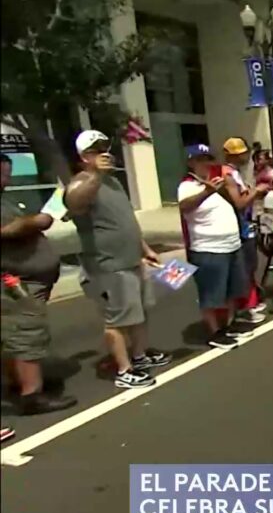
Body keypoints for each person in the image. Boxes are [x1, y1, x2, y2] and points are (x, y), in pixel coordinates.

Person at [64, 130, 162, 389]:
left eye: (105, 148)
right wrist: (95, 174)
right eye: (96, 150)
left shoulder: (114, 182)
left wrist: (144, 248)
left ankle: (139, 356)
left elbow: (125, 219)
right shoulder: (81, 183)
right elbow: (74, 203)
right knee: (117, 320)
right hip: (109, 265)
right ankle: (124, 369)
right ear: (84, 157)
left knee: (139, 313)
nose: (104, 154)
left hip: (132, 260)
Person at [1, 153, 78, 414]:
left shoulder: (4, 198)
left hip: (27, 278)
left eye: (7, 174)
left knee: (17, 335)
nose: (6, 179)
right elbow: (9, 229)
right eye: (2, 174)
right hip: (15, 281)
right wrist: (38, 221)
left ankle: (17, 381)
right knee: (27, 334)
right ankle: (31, 395)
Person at [177, 144, 255, 349]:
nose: (205, 164)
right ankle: (214, 331)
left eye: (208, 159)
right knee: (211, 294)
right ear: (191, 163)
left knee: (232, 290)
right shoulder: (188, 186)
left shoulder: (217, 181)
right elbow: (185, 206)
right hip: (209, 249)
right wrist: (207, 191)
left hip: (232, 245)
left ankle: (229, 324)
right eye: (200, 160)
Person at [222, 137, 270, 324]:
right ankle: (245, 308)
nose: (246, 156)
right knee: (244, 269)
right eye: (242, 153)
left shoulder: (236, 173)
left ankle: (252, 301)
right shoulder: (228, 174)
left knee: (250, 267)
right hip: (239, 228)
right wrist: (256, 191)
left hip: (246, 225)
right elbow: (239, 203)